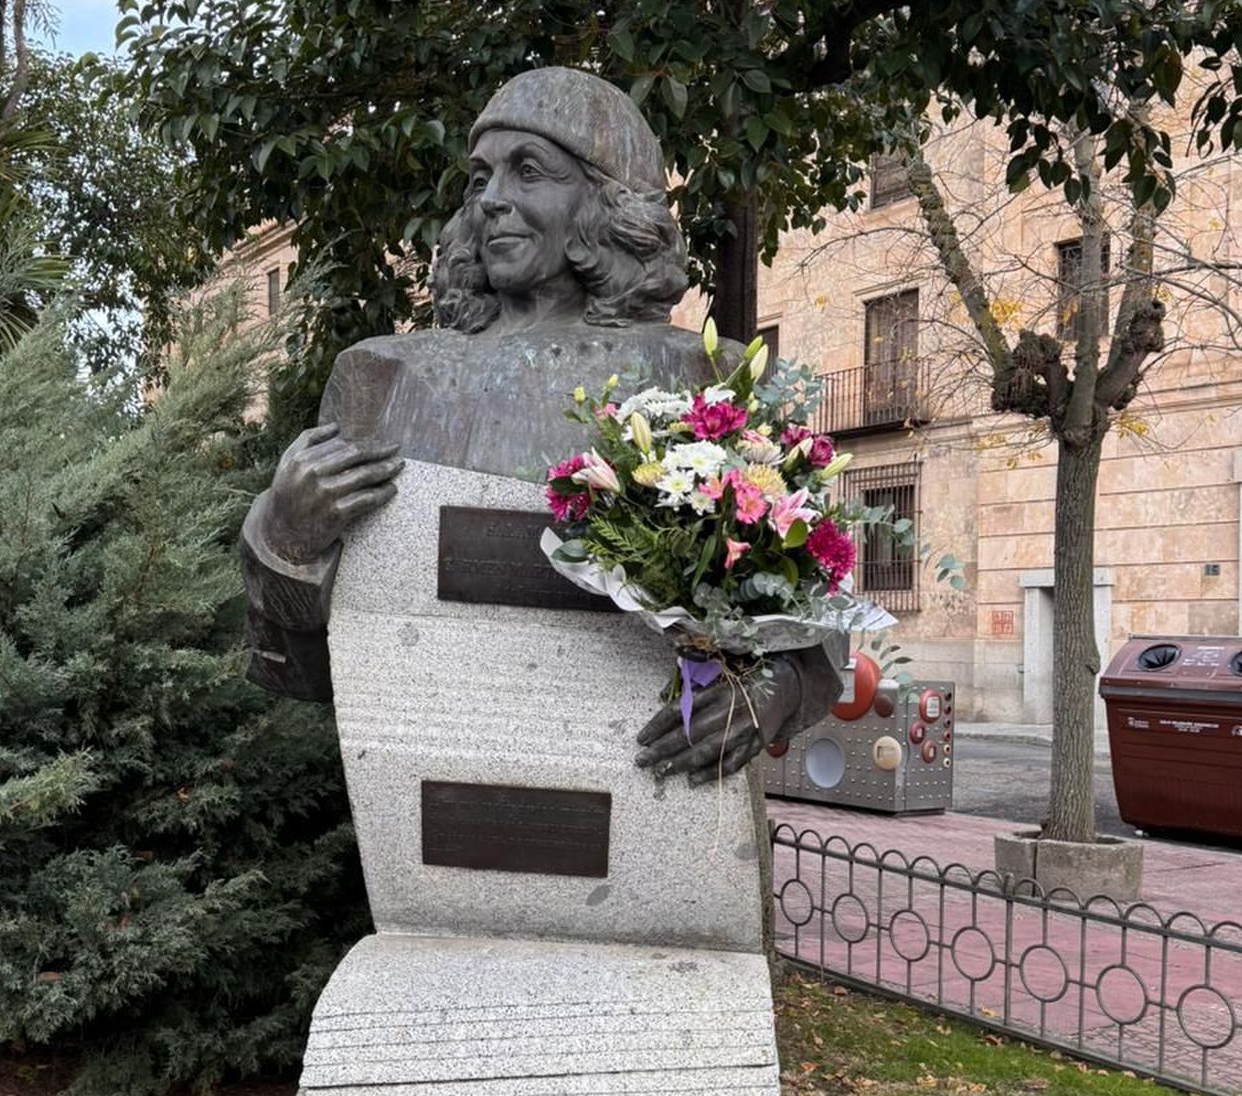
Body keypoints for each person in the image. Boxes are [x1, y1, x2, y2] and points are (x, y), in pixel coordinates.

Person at [240, 67, 842, 784]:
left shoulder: (711, 382)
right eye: (481, 178)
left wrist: (770, 694)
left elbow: (809, 638)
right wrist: (282, 541)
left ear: (606, 201)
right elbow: (310, 677)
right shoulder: (382, 380)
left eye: (529, 172)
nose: (493, 199)